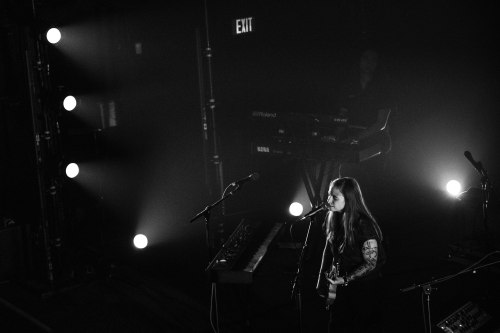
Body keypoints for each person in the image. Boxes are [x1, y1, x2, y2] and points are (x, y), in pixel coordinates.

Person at [316, 177, 385, 332]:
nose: (329, 200)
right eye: (329, 195)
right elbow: (328, 250)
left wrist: (345, 279)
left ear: (349, 199)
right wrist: (321, 277)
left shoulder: (363, 225)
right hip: (342, 287)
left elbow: (371, 263)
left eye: (334, 197)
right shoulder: (333, 218)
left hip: (365, 288)